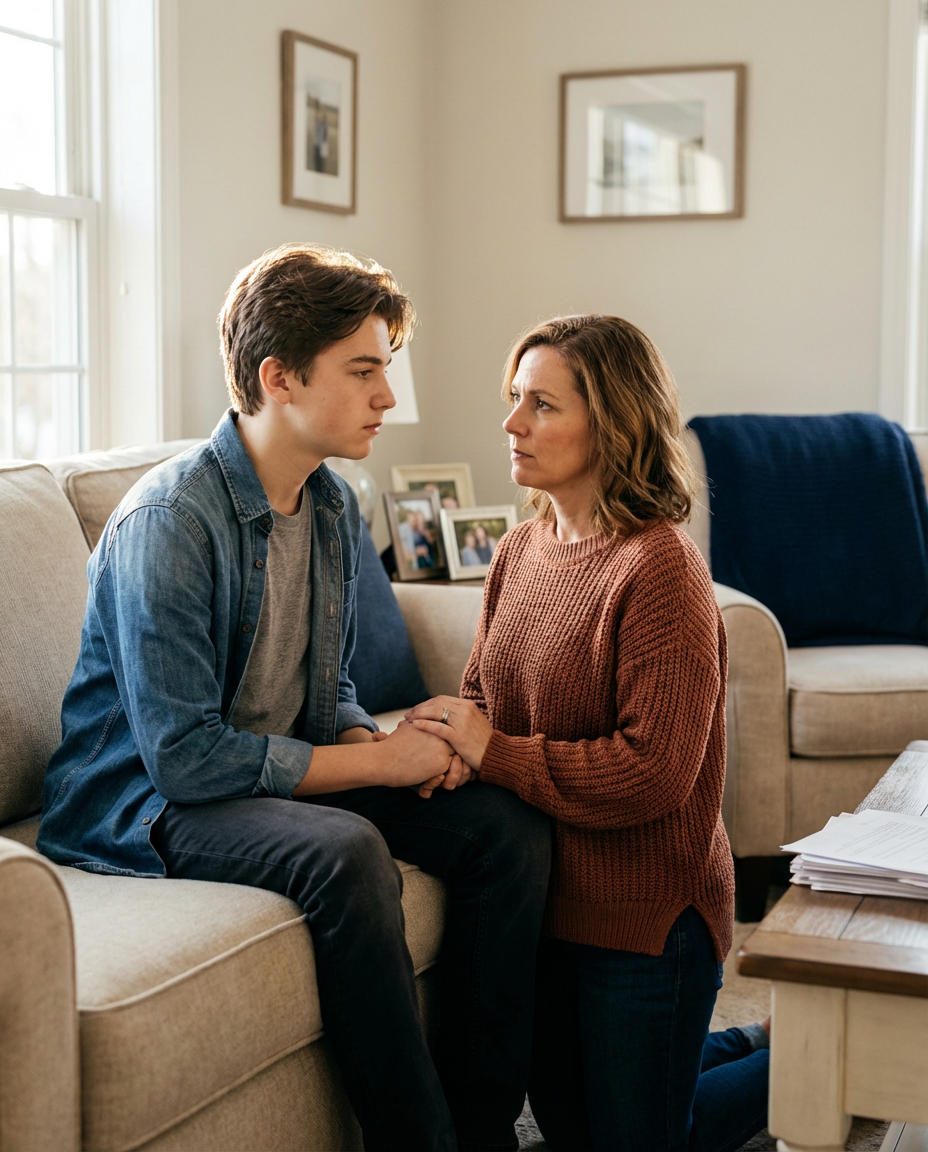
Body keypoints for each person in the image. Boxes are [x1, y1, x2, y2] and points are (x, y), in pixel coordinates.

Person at [37, 244, 551, 1152]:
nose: (386, 397)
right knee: (345, 852)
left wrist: (386, 741)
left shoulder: (330, 506)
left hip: (263, 777)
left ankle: (483, 1130)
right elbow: (186, 758)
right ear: (278, 376)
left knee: (501, 826)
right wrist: (376, 760)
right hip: (148, 802)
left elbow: (326, 689)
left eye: (383, 370)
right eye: (363, 372)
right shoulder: (169, 523)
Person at [406, 314, 769, 1152]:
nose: (511, 424)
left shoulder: (661, 569)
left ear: (612, 423)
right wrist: (441, 750)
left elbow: (652, 774)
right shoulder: (519, 550)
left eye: (542, 405)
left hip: (646, 917)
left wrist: (492, 753)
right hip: (544, 905)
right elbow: (479, 697)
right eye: (513, 400)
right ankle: (724, 1045)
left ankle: (800, 1058)